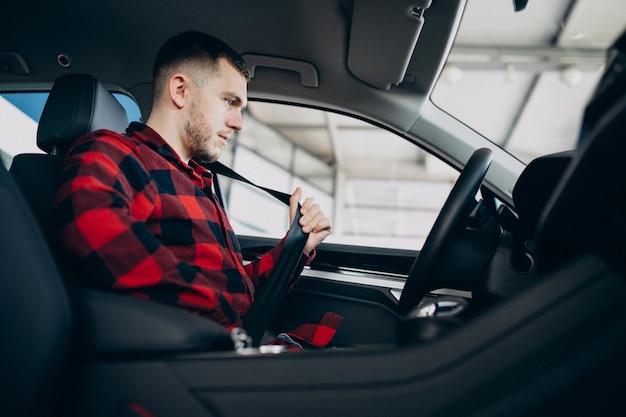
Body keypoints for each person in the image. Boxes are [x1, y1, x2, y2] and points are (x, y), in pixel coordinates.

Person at [51, 31, 334, 341]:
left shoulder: (197, 180)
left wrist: (297, 248)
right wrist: (227, 326)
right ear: (181, 90)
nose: (239, 122)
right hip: (207, 357)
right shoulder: (116, 152)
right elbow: (90, 231)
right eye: (229, 101)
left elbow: (236, 288)